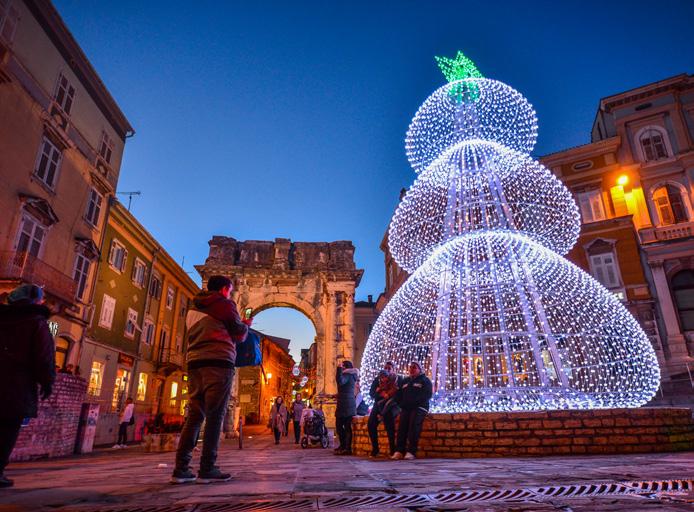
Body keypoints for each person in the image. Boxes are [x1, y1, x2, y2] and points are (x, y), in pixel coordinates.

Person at [171, 275, 250, 484]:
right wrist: (246, 324)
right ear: (225, 289)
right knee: (215, 416)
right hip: (218, 362)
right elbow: (239, 334)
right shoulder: (224, 305)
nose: (230, 293)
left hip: (195, 363)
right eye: (230, 290)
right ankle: (207, 468)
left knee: (195, 416)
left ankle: (181, 469)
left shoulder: (193, 307)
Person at [0, 284, 55, 488]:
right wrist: (47, 381)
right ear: (35, 300)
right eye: (41, 299)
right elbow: (43, 356)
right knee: (7, 430)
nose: (42, 302)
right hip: (16, 387)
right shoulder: (37, 323)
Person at [392, 361, 432, 460]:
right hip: (406, 408)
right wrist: (401, 404)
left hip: (419, 407)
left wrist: (415, 403)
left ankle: (411, 451)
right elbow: (398, 395)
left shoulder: (425, 380)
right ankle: (399, 451)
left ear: (420, 369)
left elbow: (427, 394)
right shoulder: (405, 381)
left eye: (414, 367)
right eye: (410, 367)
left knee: (413, 426)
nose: (411, 369)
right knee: (402, 427)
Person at [368, 361, 402, 457]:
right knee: (371, 424)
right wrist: (381, 394)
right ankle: (375, 449)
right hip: (378, 404)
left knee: (389, 421)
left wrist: (389, 397)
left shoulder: (398, 379)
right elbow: (371, 393)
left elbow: (399, 394)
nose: (386, 370)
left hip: (392, 405)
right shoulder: (378, 380)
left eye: (389, 368)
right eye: (385, 368)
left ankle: (393, 450)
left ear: (394, 370)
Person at [334, 360, 359, 455]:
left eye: (343, 366)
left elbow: (340, 382)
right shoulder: (349, 375)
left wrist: (339, 369)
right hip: (344, 403)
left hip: (347, 405)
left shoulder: (348, 375)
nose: (342, 367)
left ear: (347, 367)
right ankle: (343, 445)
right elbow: (345, 388)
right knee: (339, 426)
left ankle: (347, 448)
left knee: (346, 427)